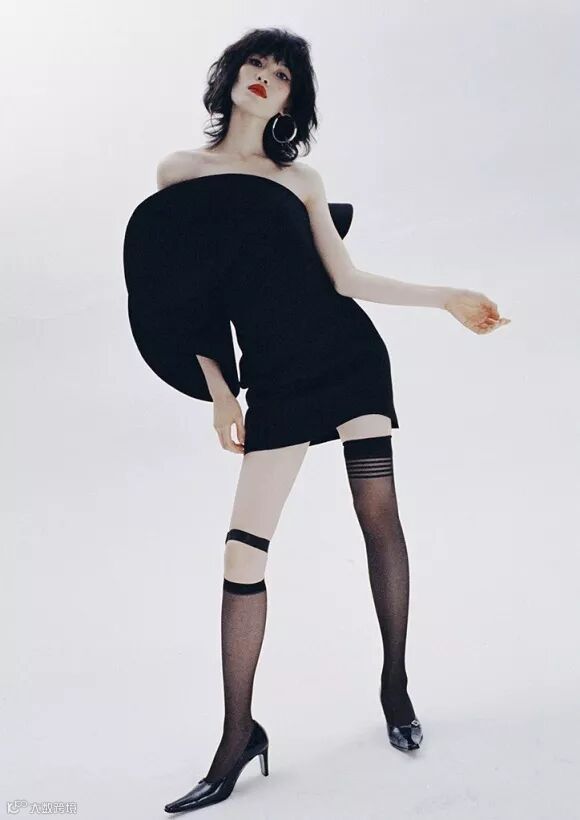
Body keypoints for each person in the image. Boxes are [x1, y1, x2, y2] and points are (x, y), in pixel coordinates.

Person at [123, 27, 511, 814]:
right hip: (275, 379)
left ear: (290, 102)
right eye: (256, 65)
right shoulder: (180, 172)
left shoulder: (300, 178)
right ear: (231, 76)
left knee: (379, 518)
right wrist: (221, 393)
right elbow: (186, 299)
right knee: (242, 552)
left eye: (283, 75)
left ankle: (394, 685)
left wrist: (447, 298)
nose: (266, 78)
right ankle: (239, 735)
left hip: (347, 357)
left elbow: (347, 277)